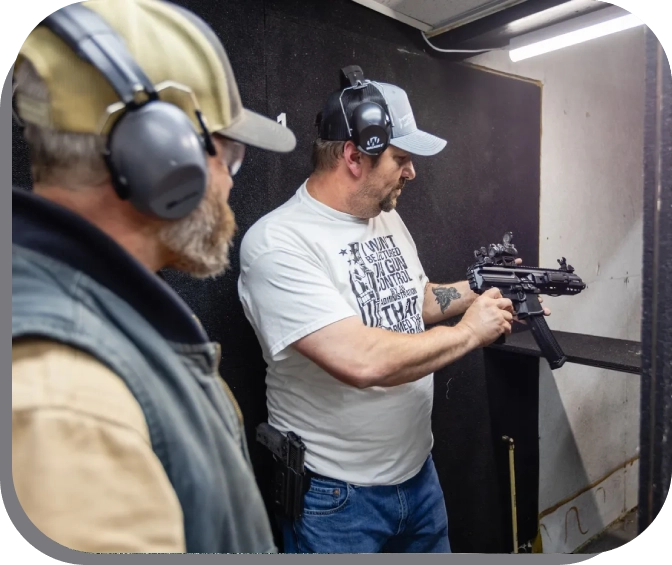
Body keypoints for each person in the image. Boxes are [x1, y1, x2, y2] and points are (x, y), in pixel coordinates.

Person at [11, 0, 296, 554]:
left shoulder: (106, 319)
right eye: (228, 153)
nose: (233, 183)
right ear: (162, 154)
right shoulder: (67, 407)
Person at [237, 66, 550, 553]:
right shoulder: (278, 245)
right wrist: (470, 333)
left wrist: (483, 287)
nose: (411, 172)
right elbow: (360, 361)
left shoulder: (384, 217)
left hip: (418, 478)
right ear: (353, 156)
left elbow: (415, 300)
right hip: (337, 502)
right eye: (400, 158)